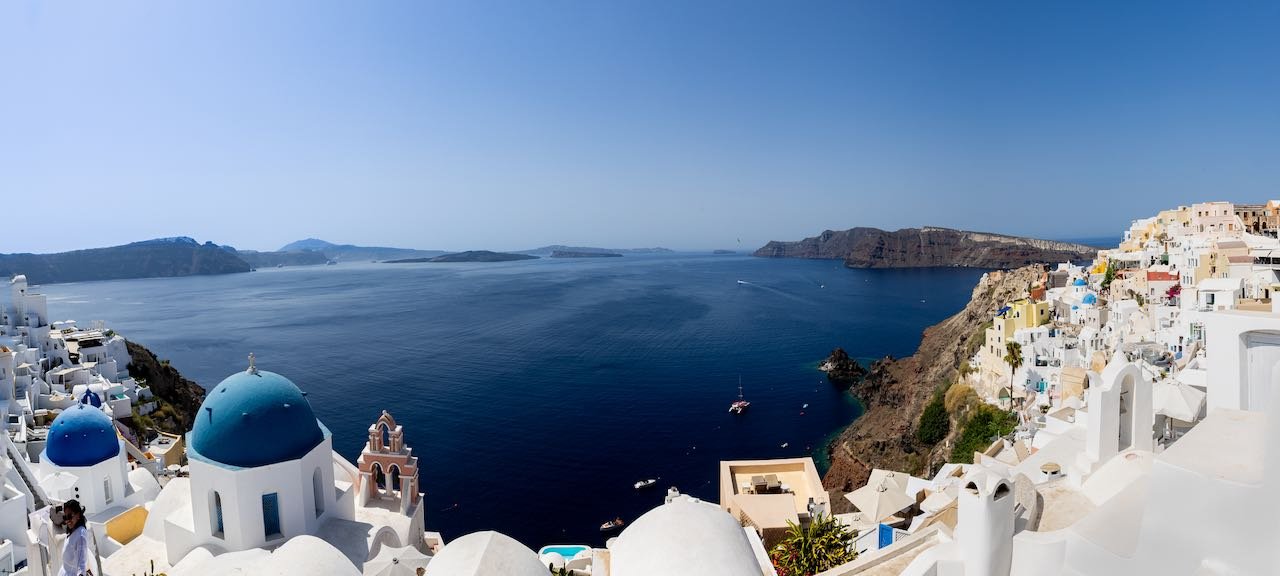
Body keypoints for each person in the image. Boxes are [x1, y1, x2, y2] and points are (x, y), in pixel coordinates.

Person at [58, 500, 93, 576]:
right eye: (65, 517)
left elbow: (81, 564)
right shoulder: (72, 532)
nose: (67, 520)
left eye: (70, 516)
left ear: (78, 515)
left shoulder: (80, 535)